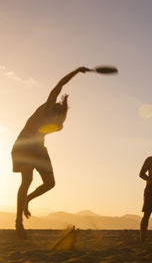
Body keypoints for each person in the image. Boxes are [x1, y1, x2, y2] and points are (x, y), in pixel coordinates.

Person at [11, 67, 90, 238]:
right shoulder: (47, 107)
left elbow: (60, 124)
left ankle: (27, 200)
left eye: (58, 108)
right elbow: (60, 84)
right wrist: (76, 71)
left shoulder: (58, 123)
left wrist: (62, 114)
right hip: (24, 145)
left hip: (39, 149)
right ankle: (18, 220)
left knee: (50, 183)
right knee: (27, 179)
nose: (54, 104)